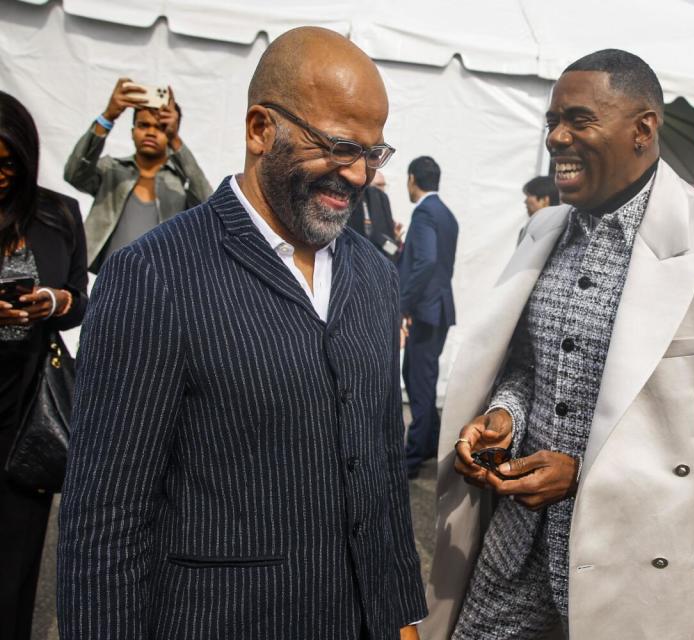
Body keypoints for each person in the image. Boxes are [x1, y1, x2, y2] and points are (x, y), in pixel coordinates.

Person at [58, 28, 426, 640]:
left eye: (373, 152)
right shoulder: (153, 275)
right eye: (338, 147)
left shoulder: (376, 280)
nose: (358, 175)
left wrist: (402, 614)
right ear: (260, 129)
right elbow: (105, 519)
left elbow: (383, 468)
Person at [422, 49, 694, 640]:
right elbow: (527, 365)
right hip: (517, 546)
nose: (557, 137)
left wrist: (583, 473)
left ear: (643, 129)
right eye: (552, 121)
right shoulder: (541, 230)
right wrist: (504, 414)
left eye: (578, 120)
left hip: (639, 571)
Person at [0, 91, 87, 640]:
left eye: (9, 162)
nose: (0, 175)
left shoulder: (57, 214)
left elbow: (82, 297)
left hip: (25, 414)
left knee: (15, 569)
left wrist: (53, 302)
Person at [64, 78, 212, 272]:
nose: (151, 132)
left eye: (160, 127)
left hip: (162, 285)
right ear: (133, 132)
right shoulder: (112, 170)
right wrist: (108, 117)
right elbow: (74, 173)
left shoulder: (178, 183)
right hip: (111, 282)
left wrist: (175, 140)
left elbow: (208, 203)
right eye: (144, 125)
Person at [399, 156, 458, 479]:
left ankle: (412, 457)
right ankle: (431, 440)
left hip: (425, 309)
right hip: (441, 307)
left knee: (419, 382)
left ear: (412, 179)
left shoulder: (423, 213)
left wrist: (404, 304)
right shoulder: (447, 215)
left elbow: (426, 261)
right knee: (419, 375)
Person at [347, 169, 403, 260]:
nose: (382, 190)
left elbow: (391, 251)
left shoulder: (384, 212)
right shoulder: (356, 210)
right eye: (378, 185)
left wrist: (395, 240)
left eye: (383, 185)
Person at [518, 176, 559, 244]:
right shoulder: (563, 228)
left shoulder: (558, 231)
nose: (525, 201)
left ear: (544, 200)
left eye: (528, 196)